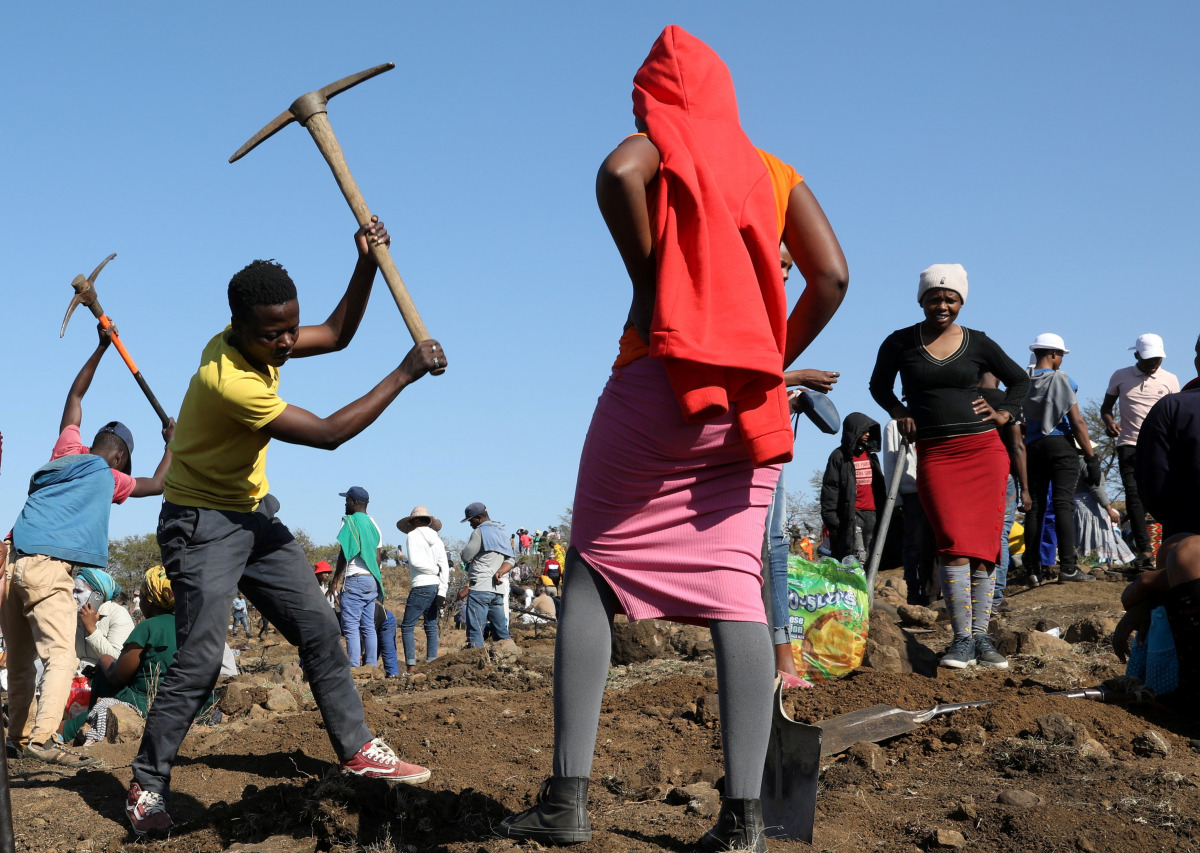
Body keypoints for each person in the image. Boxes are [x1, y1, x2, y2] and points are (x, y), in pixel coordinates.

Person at [498, 27, 847, 851]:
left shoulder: (659, 148)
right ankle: (745, 820)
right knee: (736, 587)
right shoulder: (772, 170)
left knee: (589, 571)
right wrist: (768, 353)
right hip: (747, 399)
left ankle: (569, 801)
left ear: (661, 94)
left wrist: (652, 276)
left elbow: (618, 171)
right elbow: (831, 275)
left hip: (657, 382)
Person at [127, 218, 442, 835]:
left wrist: (366, 264)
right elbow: (327, 435)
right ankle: (146, 786)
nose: (288, 342)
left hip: (251, 515)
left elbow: (341, 334)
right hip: (199, 524)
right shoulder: (230, 381)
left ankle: (357, 749)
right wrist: (404, 374)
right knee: (199, 658)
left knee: (321, 625)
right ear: (241, 329)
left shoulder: (263, 338)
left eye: (291, 328)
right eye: (275, 334)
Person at [0, 325, 172, 767]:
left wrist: (99, 347)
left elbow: (75, 396)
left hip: (10, 565)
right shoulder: (108, 476)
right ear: (118, 459)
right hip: (47, 570)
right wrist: (173, 445)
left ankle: (17, 738)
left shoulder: (65, 450)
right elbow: (159, 483)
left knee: (20, 661)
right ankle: (42, 740)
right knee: (61, 655)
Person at [870, 264, 1028, 671]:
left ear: (961, 301)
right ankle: (960, 639)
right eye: (934, 298)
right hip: (937, 456)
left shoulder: (979, 342)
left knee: (985, 550)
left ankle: (982, 638)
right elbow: (878, 386)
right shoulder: (900, 343)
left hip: (984, 452)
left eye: (950, 298)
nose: (942, 305)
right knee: (952, 545)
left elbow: (1020, 382)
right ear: (921, 300)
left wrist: (1004, 413)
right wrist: (899, 411)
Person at [62, 567, 218, 745]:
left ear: (151, 600)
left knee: (102, 678)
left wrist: (103, 660)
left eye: (142, 596)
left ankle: (79, 724)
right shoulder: (196, 624)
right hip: (194, 704)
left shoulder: (149, 627)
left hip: (148, 704)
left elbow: (117, 677)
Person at [1021, 333, 1102, 584]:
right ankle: (1068, 567)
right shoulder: (1062, 379)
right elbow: (1077, 421)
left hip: (1032, 447)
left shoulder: (1024, 380)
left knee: (1035, 508)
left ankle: (1033, 569)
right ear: (1054, 354)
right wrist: (1091, 458)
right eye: (1061, 356)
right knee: (1062, 504)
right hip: (1060, 445)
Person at [1102, 334, 1180, 569]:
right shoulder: (1120, 376)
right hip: (1129, 444)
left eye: (1157, 359)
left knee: (1163, 495)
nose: (1153, 364)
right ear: (1136, 356)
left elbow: (1175, 414)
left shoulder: (1170, 380)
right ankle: (1144, 551)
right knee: (1134, 497)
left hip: (1160, 447)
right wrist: (1109, 422)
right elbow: (1107, 408)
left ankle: (1167, 548)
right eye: (1148, 359)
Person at [1135, 333, 1200, 539]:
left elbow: (1153, 478)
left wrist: (1174, 521)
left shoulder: (1172, 406)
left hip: (1188, 530)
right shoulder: (1173, 405)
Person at [977, 372, 1031, 613]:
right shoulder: (1007, 402)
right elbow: (1017, 445)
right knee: (1000, 536)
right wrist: (1025, 490)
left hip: (971, 476)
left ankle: (975, 596)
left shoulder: (966, 398)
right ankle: (995, 597)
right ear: (996, 374)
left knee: (974, 536)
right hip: (1002, 476)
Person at [882, 419, 935, 606]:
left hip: (933, 488)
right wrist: (894, 499)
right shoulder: (894, 425)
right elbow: (889, 464)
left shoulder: (931, 417)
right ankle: (913, 592)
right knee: (913, 545)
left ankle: (932, 594)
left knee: (933, 545)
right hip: (911, 493)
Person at [820, 413, 884, 564]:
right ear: (853, 431)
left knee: (870, 559)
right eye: (863, 431)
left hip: (872, 515)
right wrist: (833, 523)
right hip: (850, 518)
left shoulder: (871, 457)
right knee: (851, 560)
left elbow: (880, 488)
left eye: (869, 431)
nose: (867, 434)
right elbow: (830, 490)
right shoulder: (839, 457)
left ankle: (867, 587)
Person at [333, 486, 384, 667]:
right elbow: (378, 558)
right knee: (368, 626)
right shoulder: (374, 524)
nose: (345, 503)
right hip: (371, 580)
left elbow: (345, 553)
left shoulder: (350, 521)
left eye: (347, 500)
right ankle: (371, 666)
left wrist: (335, 580)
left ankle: (355, 667)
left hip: (354, 579)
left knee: (351, 627)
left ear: (354, 503)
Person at [396, 506, 449, 673]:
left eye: (412, 521)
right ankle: (432, 664)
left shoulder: (412, 536)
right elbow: (445, 567)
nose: (411, 525)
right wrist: (442, 591)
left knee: (407, 626)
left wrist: (433, 570)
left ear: (416, 521)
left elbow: (416, 562)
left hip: (421, 584)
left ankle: (411, 667)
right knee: (431, 625)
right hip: (435, 586)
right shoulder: (438, 540)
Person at [458, 502, 516, 649]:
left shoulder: (479, 532)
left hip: (480, 589)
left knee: (476, 630)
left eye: (471, 520)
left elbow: (466, 556)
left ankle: (475, 661)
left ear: (478, 518)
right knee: (501, 631)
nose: (470, 524)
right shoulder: (502, 532)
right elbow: (511, 560)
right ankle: (508, 655)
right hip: (497, 591)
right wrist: (500, 572)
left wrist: (463, 553)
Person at [74, 567, 135, 673]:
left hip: (103, 679)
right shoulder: (74, 613)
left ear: (97, 596)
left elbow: (117, 659)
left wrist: (91, 628)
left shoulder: (117, 614)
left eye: (79, 591)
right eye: (73, 591)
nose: (73, 596)